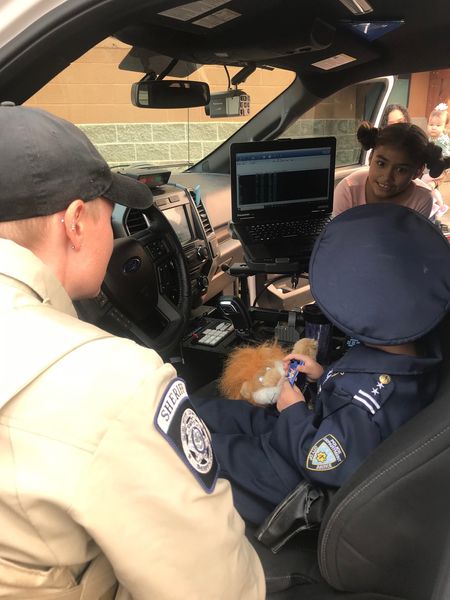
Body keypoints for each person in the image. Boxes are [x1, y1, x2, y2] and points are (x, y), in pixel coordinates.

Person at [0, 103, 265, 599]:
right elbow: (216, 588)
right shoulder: (115, 382)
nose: (116, 230)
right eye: (110, 214)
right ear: (76, 223)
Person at [193, 204, 450, 525]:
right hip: (309, 426)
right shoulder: (412, 353)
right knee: (210, 414)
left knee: (202, 448)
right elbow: (356, 392)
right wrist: (323, 375)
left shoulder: (367, 401)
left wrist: (292, 410)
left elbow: (321, 461)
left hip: (296, 473)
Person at [332, 121, 450, 218]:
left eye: (401, 170)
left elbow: (409, 243)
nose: (387, 177)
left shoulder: (421, 200)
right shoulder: (348, 190)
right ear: (371, 157)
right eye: (381, 163)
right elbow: (338, 238)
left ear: (417, 172)